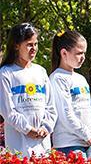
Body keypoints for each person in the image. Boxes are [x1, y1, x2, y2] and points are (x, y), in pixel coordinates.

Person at [0, 23, 57, 157]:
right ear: (16, 45)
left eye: (36, 44)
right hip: (19, 145)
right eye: (29, 44)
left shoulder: (41, 71)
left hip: (42, 144)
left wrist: (45, 127)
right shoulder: (6, 73)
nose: (34, 49)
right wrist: (27, 129)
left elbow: (51, 107)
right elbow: (8, 111)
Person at [49, 30, 91, 159]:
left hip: (87, 142)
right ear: (64, 53)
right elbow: (65, 114)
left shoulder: (81, 79)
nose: (83, 57)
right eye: (79, 53)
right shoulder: (57, 78)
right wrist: (86, 135)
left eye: (84, 53)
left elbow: (90, 109)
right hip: (69, 144)